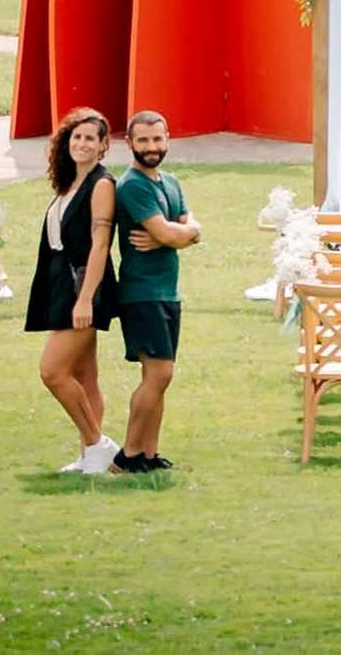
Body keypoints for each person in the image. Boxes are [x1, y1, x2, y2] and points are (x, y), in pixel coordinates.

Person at [24, 105, 122, 474]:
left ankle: (98, 444)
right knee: (85, 377)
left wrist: (85, 299)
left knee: (52, 371)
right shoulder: (69, 184)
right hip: (61, 285)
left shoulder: (101, 184)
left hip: (85, 287)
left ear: (102, 146)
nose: (81, 143)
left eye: (89, 139)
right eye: (76, 136)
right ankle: (90, 457)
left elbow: (101, 245)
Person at [112, 109, 201, 472]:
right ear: (129, 143)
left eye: (157, 139)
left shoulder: (171, 182)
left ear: (167, 139)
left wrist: (184, 233)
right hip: (141, 293)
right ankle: (127, 455)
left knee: (156, 379)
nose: (152, 147)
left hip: (167, 292)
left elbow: (186, 227)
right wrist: (177, 235)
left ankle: (149, 454)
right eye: (144, 140)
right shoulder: (132, 185)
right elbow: (169, 232)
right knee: (161, 374)